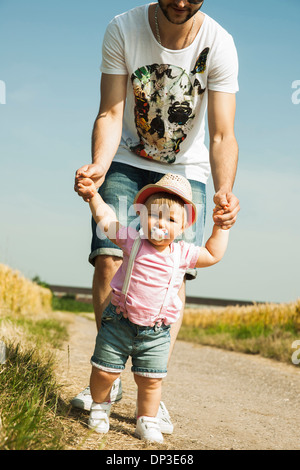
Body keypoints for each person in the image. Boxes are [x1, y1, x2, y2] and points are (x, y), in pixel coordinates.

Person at [73, 0, 240, 432]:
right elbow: (111, 111)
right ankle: (108, 378)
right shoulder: (123, 29)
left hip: (187, 171)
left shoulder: (219, 43)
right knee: (110, 254)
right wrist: (98, 165)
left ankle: (152, 385)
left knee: (172, 273)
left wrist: (224, 193)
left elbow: (222, 134)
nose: (181, 2)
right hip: (127, 157)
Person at [76, 172, 230, 443]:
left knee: (150, 381)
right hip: (119, 323)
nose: (161, 223)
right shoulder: (131, 240)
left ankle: (146, 420)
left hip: (156, 333)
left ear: (183, 227)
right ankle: (100, 408)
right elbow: (107, 220)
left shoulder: (182, 253)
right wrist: (93, 197)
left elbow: (213, 254)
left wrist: (221, 228)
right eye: (154, 215)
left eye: (171, 219)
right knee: (104, 370)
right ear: (141, 216)